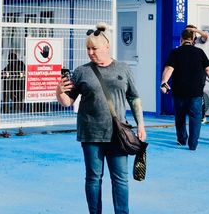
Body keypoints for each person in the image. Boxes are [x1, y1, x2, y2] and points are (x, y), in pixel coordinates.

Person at [56, 22, 146, 214]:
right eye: (88, 48)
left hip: (118, 134)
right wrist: (59, 91)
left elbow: (134, 97)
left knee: (120, 179)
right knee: (93, 178)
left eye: (94, 48)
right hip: (91, 134)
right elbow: (67, 102)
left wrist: (141, 125)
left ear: (106, 47)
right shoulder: (82, 71)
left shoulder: (123, 68)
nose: (90, 52)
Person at [160, 27, 209, 150]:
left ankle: (182, 139)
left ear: (181, 39)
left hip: (179, 91)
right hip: (196, 92)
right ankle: (193, 144)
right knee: (195, 117)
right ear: (192, 39)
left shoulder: (175, 52)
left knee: (180, 117)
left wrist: (164, 82)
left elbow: (169, 69)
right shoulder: (200, 53)